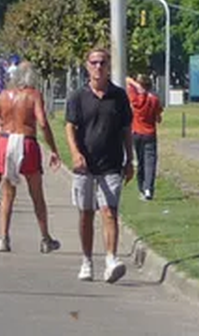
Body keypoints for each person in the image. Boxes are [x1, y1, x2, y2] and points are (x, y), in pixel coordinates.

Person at [66, 47, 134, 283]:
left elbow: (126, 129)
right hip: (85, 166)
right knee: (86, 213)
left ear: (108, 66)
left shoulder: (119, 97)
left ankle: (111, 260)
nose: (98, 67)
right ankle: (86, 261)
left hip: (111, 163)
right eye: (93, 62)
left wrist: (130, 160)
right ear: (87, 66)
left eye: (102, 62)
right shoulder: (78, 97)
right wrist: (75, 153)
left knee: (109, 211)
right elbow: (70, 128)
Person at [0, 62, 63, 254]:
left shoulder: (4, 95)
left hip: (5, 140)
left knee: (7, 193)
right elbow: (43, 123)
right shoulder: (33, 95)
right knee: (36, 194)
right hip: (26, 140)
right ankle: (45, 238)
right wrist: (53, 148)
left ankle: (3, 238)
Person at [127, 74, 162, 200]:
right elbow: (158, 118)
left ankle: (141, 188)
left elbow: (128, 81)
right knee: (150, 162)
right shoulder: (154, 99)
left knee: (140, 162)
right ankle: (148, 189)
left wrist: (137, 85)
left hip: (136, 132)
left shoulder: (135, 98)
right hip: (150, 133)